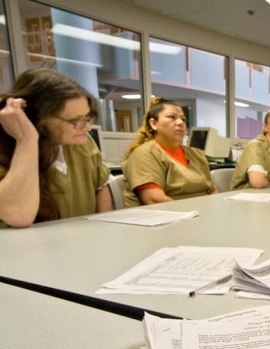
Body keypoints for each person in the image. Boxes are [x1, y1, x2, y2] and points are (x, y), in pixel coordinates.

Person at [0, 68, 112, 229]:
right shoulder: (8, 150)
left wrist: (104, 227)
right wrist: (27, 139)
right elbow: (19, 215)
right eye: (76, 121)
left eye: (88, 117)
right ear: (37, 118)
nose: (87, 127)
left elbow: (101, 187)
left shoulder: (82, 142)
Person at [122, 97, 217, 207]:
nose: (180, 122)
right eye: (172, 117)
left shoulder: (196, 154)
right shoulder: (146, 154)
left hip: (202, 215)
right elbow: (154, 199)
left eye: (183, 119)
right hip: (166, 218)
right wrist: (197, 214)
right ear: (153, 124)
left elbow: (213, 190)